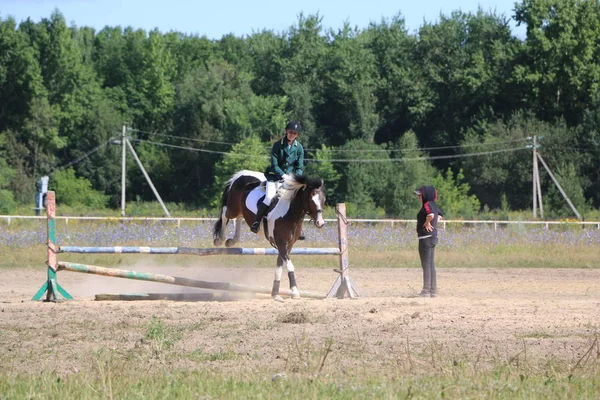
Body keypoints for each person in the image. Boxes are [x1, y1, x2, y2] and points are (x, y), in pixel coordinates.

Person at [250, 121, 305, 233]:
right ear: (286, 131)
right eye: (290, 132)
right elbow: (274, 165)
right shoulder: (277, 145)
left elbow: (299, 167)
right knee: (269, 197)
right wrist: (283, 175)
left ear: (297, 135)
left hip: (290, 180)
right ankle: (256, 222)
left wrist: (297, 179)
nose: (292, 134)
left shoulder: (299, 148)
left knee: (298, 200)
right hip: (274, 177)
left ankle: (299, 228)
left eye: (294, 133)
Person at [414, 186, 444, 297]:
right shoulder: (434, 205)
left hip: (425, 238)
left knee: (426, 264)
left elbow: (431, 215)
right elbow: (439, 215)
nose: (419, 197)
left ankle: (426, 291)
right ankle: (433, 290)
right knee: (431, 265)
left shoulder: (427, 205)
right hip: (432, 237)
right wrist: (435, 221)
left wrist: (427, 222)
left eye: (420, 195)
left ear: (426, 195)